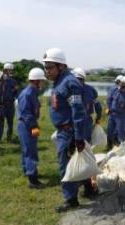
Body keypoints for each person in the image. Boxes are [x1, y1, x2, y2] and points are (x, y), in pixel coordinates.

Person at [43, 48, 86, 213]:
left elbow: (78, 111)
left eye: (50, 67)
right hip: (63, 130)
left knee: (65, 165)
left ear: (61, 66)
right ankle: (87, 189)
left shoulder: (70, 83)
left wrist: (78, 137)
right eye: (46, 68)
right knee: (74, 163)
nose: (47, 71)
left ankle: (71, 199)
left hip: (69, 132)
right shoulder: (59, 81)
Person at [73, 67, 102, 198]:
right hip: (87, 122)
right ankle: (85, 181)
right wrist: (99, 117)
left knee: (78, 150)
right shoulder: (91, 89)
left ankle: (80, 180)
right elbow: (98, 106)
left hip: (76, 123)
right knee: (86, 149)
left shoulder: (72, 89)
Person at [17, 68, 46, 189]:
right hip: (27, 125)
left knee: (27, 150)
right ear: (36, 81)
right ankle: (33, 180)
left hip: (28, 124)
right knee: (30, 151)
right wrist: (34, 126)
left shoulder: (33, 92)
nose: (43, 83)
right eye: (42, 81)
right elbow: (26, 113)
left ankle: (27, 171)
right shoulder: (27, 93)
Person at [72, 67, 102, 143]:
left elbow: (97, 105)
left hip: (86, 120)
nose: (79, 81)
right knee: (72, 141)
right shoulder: (69, 89)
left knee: (85, 142)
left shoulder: (91, 90)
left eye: (80, 79)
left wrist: (98, 117)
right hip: (72, 120)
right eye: (77, 79)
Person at [3, 63, 18, 142]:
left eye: (12, 70)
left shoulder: (13, 80)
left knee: (10, 122)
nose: (11, 71)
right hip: (2, 104)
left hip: (10, 104)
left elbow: (15, 92)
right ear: (5, 70)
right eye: (10, 70)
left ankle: (9, 138)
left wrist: (16, 98)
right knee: (0, 123)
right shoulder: (0, 79)